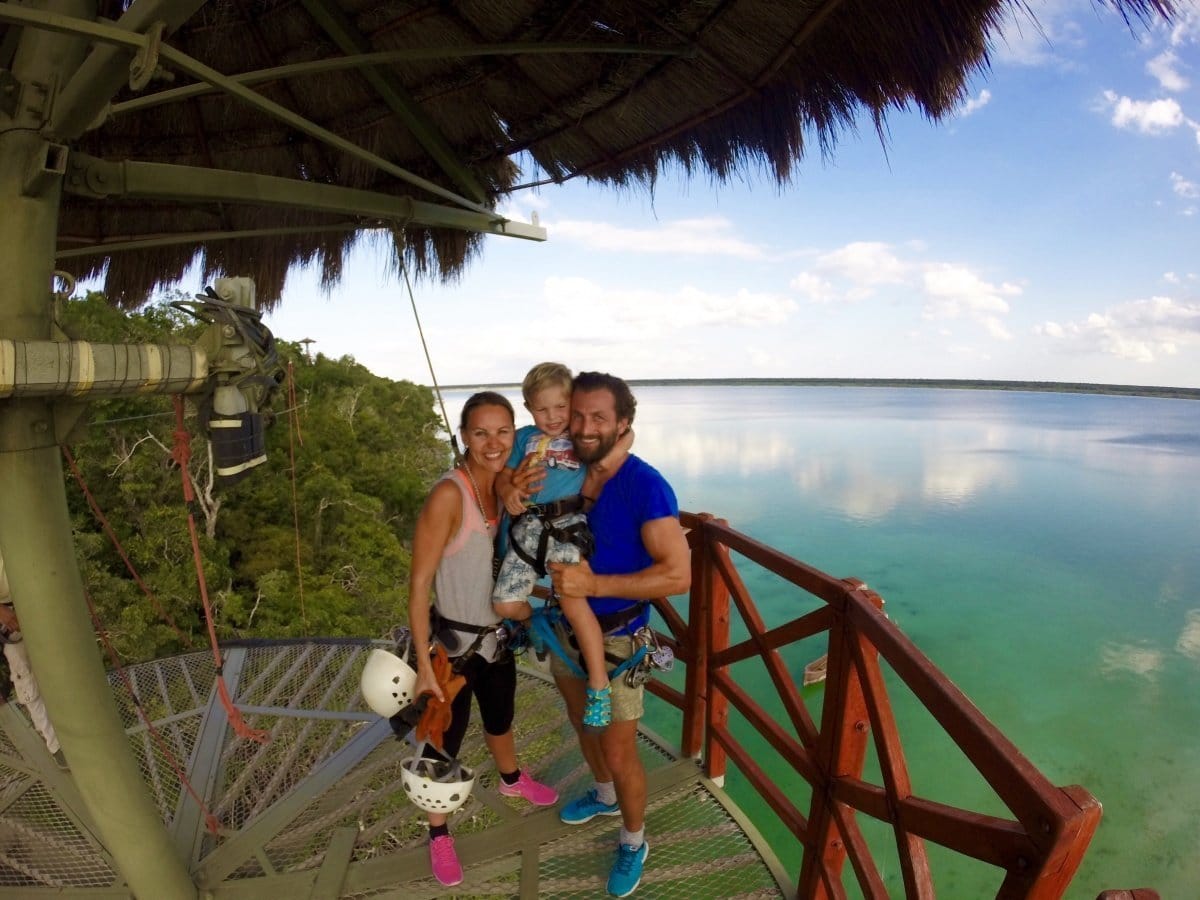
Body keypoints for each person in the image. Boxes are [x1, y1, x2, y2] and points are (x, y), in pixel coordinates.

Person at [547, 372, 690, 898]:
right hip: (566, 630)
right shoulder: (568, 472)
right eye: (577, 416)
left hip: (620, 644)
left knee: (621, 748)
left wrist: (595, 582)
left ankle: (634, 840)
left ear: (622, 424)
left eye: (599, 418)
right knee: (582, 725)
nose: (584, 428)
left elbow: (679, 574)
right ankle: (604, 794)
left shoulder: (645, 485)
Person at [407, 390, 558, 887]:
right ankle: (438, 832)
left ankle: (512, 781)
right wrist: (425, 669)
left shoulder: (505, 484)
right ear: (463, 437)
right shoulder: (449, 495)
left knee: (501, 716)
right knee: (440, 737)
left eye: (503, 431)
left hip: (498, 637)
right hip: (451, 647)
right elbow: (418, 584)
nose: (493, 443)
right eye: (480, 432)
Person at [492, 362, 632, 733]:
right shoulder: (524, 438)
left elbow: (624, 438)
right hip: (528, 527)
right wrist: (507, 490)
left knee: (573, 599)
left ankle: (599, 684)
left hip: (568, 526)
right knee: (504, 604)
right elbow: (503, 474)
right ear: (528, 408)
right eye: (543, 408)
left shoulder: (579, 435)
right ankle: (534, 623)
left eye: (561, 407)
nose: (553, 417)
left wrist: (625, 432)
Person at [0, 550, 65, 766]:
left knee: (56, 667)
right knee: (25, 677)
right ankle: (55, 745)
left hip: (30, 604)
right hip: (9, 619)